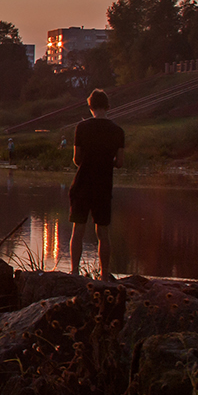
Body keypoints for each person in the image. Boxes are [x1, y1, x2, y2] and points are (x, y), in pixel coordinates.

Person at [69, 89, 125, 279]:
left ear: (90, 106)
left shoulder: (81, 127)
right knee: (103, 231)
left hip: (83, 183)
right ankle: (104, 273)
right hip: (104, 184)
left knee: (78, 229)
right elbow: (120, 162)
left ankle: (74, 271)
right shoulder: (118, 131)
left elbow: (77, 159)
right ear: (108, 107)